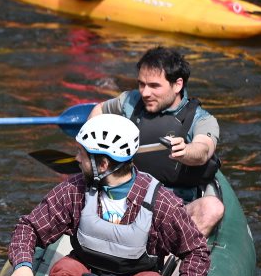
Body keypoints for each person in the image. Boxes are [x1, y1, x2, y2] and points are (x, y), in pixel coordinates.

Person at [0, 114, 210, 276]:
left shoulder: (160, 202)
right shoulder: (74, 189)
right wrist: (22, 265)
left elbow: (196, 251)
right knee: (65, 268)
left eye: (82, 153)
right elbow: (29, 227)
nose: (77, 159)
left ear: (104, 164)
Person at [90, 46, 224, 237]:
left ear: (177, 85)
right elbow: (99, 111)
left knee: (212, 208)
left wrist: (185, 151)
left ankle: (173, 255)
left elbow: (202, 150)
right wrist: (94, 147)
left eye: (154, 86)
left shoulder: (202, 120)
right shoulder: (130, 101)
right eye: (141, 84)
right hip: (125, 199)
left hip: (172, 209)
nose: (145, 93)